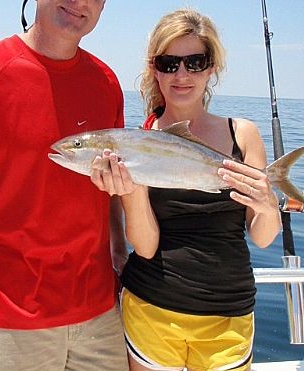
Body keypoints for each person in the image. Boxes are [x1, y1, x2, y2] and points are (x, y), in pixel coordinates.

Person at [0, 0, 129, 370]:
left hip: (98, 315)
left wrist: (119, 250)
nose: (79, 2)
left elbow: (109, 188)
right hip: (1, 320)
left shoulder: (106, 82)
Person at [91, 8, 282, 371]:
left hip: (229, 314)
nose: (182, 74)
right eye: (169, 63)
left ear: (212, 68)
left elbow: (261, 237)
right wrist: (131, 193)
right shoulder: (138, 143)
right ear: (154, 68)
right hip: (152, 307)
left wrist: (269, 205)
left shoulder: (243, 135)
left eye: (195, 62)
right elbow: (145, 248)